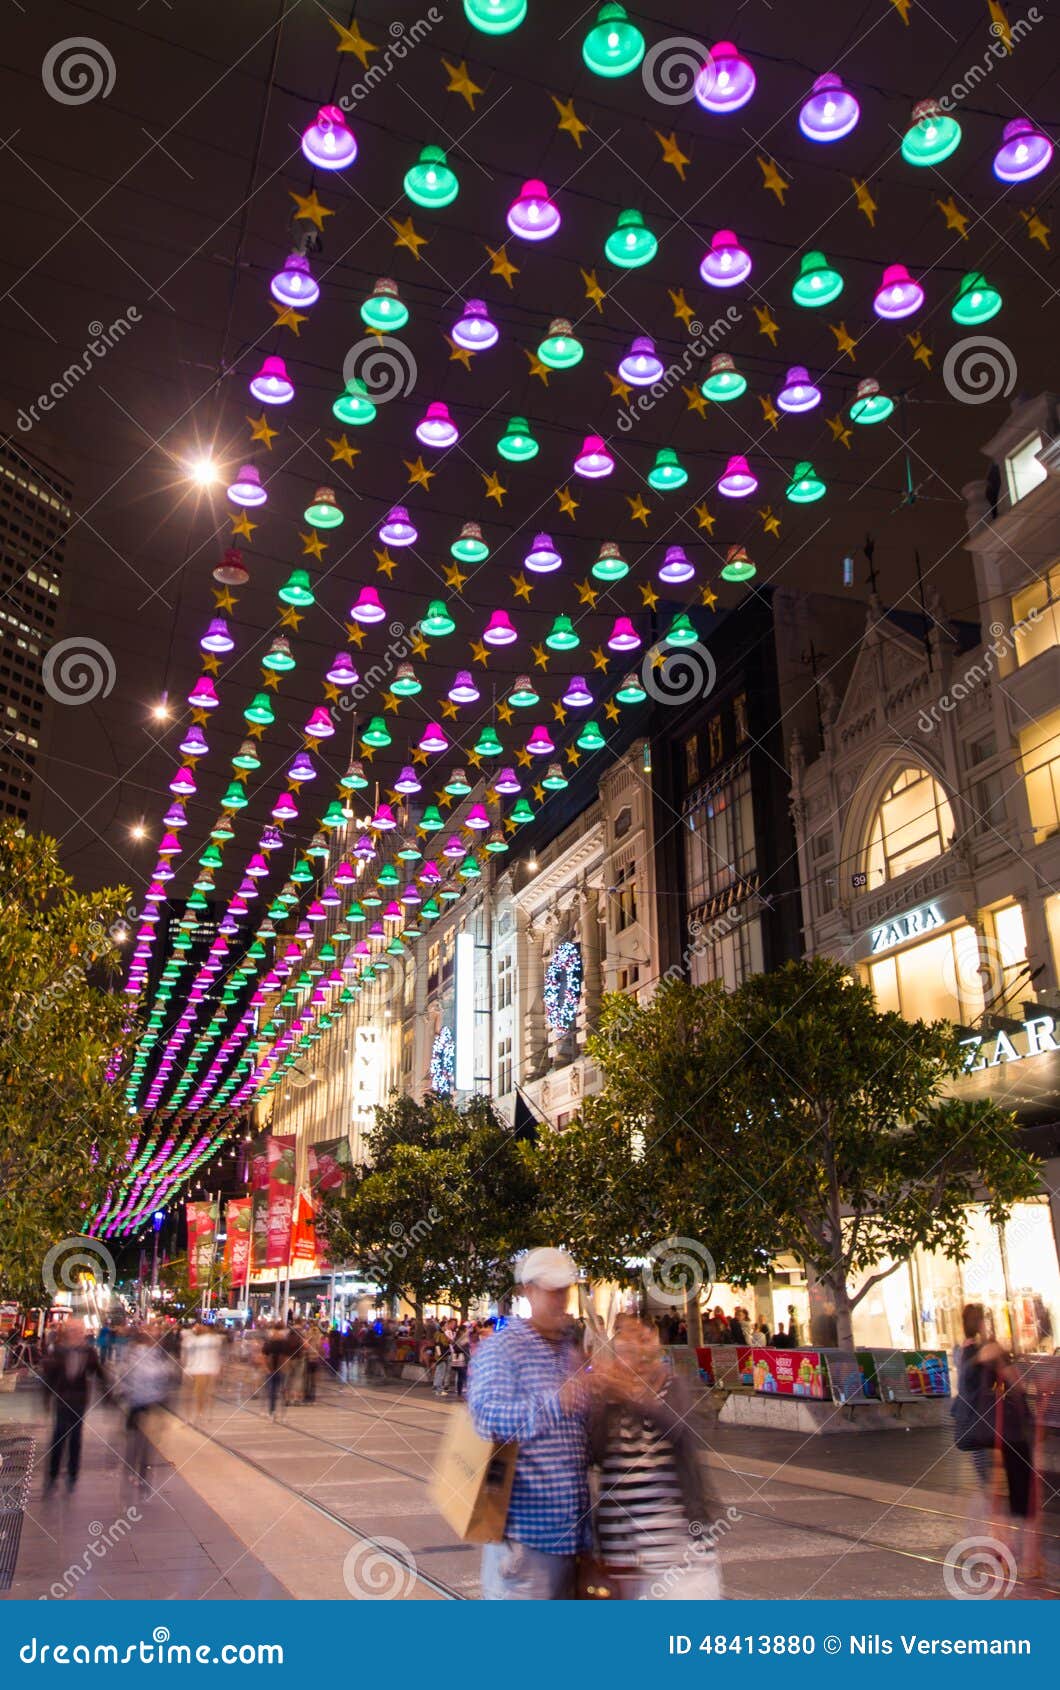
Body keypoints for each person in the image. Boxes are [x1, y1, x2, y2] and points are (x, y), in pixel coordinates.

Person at [468, 1247, 589, 1600]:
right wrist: (554, 1403)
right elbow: (486, 1418)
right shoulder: (504, 1348)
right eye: (550, 1290)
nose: (559, 1300)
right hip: (525, 1540)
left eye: (563, 1290)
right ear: (527, 1291)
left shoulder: (570, 1350)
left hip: (573, 1537)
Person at [588, 1314, 723, 1599]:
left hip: (679, 1561)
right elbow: (594, 1453)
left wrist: (633, 1396)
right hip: (623, 1560)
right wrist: (597, 1400)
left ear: (657, 1346)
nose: (636, 1349)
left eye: (644, 1339)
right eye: (625, 1342)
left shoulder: (675, 1387)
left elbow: (679, 1430)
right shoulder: (610, 1399)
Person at [41, 1318, 104, 1496]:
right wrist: (46, 1397)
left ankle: (72, 1473)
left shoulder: (89, 1351)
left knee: (76, 1437)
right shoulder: (58, 1350)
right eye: (72, 1329)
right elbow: (50, 1376)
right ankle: (52, 1474)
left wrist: (110, 1394)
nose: (76, 1332)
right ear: (66, 1331)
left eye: (79, 1329)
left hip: (79, 1400)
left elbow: (98, 1372)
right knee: (59, 1435)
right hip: (62, 1399)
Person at [120, 1327, 178, 1491]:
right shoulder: (135, 1354)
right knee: (137, 1440)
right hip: (138, 1402)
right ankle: (133, 1469)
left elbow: (169, 1375)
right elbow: (128, 1375)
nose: (155, 1340)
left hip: (153, 1401)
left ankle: (141, 1474)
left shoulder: (161, 1355)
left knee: (146, 1441)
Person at [182, 1322, 222, 1421]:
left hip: (205, 1369)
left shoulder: (210, 1339)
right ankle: (198, 1413)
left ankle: (201, 1413)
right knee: (198, 1393)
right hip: (196, 1369)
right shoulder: (194, 1340)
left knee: (203, 1392)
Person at [449, 1323, 471, 1399]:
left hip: (464, 1359)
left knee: (461, 1377)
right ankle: (461, 1393)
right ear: (462, 1331)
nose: (466, 1331)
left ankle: (460, 1393)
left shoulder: (465, 1338)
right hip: (460, 1360)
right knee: (463, 1377)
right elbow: (456, 1348)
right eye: (465, 1330)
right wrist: (463, 1346)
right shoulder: (459, 1338)